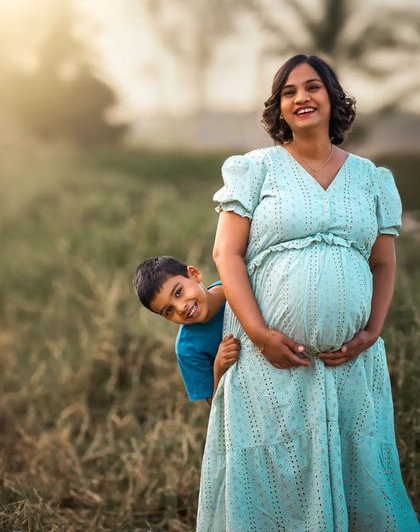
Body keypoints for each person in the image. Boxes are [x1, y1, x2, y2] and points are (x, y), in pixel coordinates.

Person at [196, 54, 419, 531]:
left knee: (363, 475)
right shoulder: (255, 170)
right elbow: (226, 255)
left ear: (333, 98)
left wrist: (371, 332)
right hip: (267, 362)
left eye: (312, 87)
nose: (301, 98)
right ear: (278, 109)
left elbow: (383, 262)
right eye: (288, 92)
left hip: (351, 364)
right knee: (273, 478)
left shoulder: (370, 178)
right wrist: (259, 335)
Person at [132, 255, 240, 403]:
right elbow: (216, 408)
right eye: (168, 311)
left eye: (178, 292)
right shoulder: (188, 349)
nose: (181, 308)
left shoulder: (236, 284)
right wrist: (219, 368)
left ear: (194, 274)